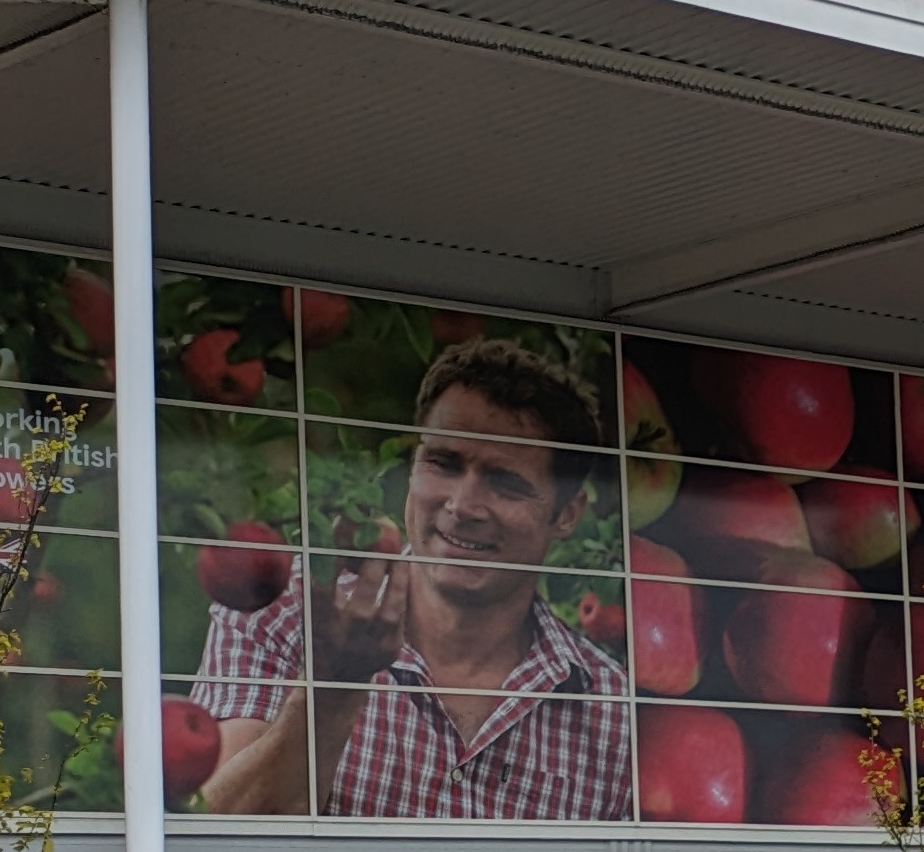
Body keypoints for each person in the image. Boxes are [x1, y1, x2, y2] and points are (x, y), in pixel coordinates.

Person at [196, 338, 632, 820]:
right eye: (443, 464)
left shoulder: (610, 709)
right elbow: (214, 834)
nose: (462, 506)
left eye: (505, 482)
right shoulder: (282, 607)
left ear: (567, 513)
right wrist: (332, 688)